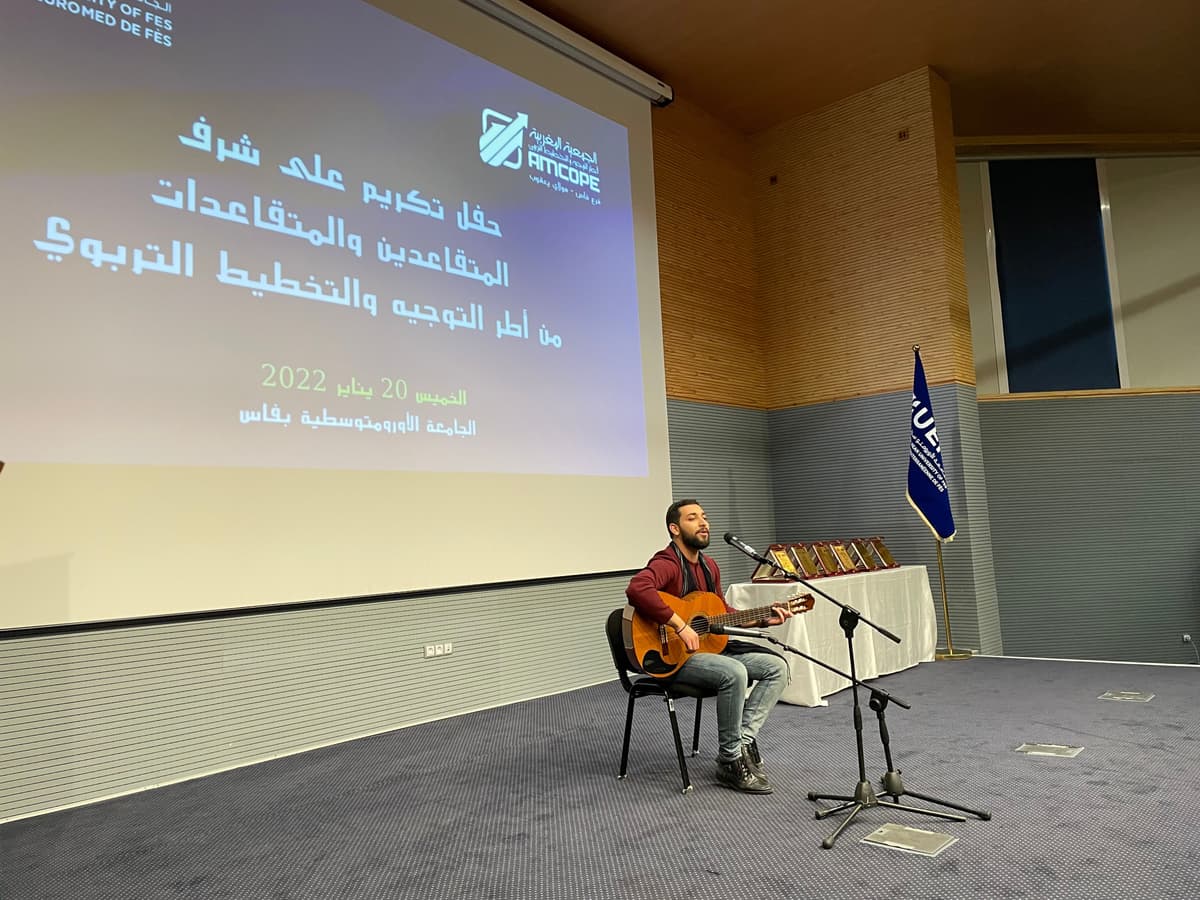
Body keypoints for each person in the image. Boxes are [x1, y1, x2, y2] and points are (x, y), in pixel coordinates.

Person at [626, 499, 793, 793]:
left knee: (776, 667)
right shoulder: (667, 563)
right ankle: (730, 761)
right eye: (693, 518)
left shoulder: (709, 566)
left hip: (707, 650)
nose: (704, 523)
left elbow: (719, 615)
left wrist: (764, 618)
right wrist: (680, 624)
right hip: (673, 657)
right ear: (674, 529)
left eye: (704, 517)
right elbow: (637, 589)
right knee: (734, 672)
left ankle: (742, 741)